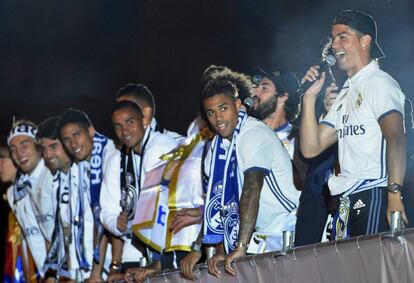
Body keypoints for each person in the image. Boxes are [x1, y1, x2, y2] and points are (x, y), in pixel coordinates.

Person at [300, 10, 407, 240]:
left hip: (373, 192)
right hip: (346, 199)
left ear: (365, 40)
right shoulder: (346, 91)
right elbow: (311, 148)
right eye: (332, 38)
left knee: (365, 271)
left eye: (342, 37)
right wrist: (308, 98)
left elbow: (396, 138)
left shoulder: (378, 82)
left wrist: (394, 193)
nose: (334, 45)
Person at [200, 70, 299, 278]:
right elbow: (220, 200)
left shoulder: (252, 132)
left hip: (288, 228)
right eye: (211, 113)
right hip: (263, 234)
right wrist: (217, 250)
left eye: (223, 108)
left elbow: (251, 188)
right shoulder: (218, 145)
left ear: (238, 105)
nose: (218, 118)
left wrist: (240, 246)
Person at [100, 101, 178, 282]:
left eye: (130, 122)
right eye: (118, 126)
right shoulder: (129, 155)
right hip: (153, 250)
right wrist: (120, 225)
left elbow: (162, 207)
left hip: (174, 247)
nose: (125, 131)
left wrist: (157, 262)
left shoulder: (158, 147)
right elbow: (108, 212)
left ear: (144, 120)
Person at [59, 109, 117, 282]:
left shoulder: (110, 156)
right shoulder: (79, 166)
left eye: (77, 134)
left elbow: (104, 218)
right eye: (66, 140)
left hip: (115, 263)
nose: (73, 143)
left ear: (90, 131)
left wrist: (96, 273)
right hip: (93, 266)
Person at [6, 120, 55, 278]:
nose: (19, 153)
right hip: (45, 274)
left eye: (24, 145)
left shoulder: (52, 176)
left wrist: (53, 274)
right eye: (13, 149)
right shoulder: (17, 190)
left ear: (38, 146)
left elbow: (59, 234)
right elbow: (28, 238)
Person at [250, 68, 307, 189]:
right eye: (256, 87)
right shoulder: (247, 134)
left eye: (264, 88)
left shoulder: (301, 140)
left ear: (283, 97)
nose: (255, 93)